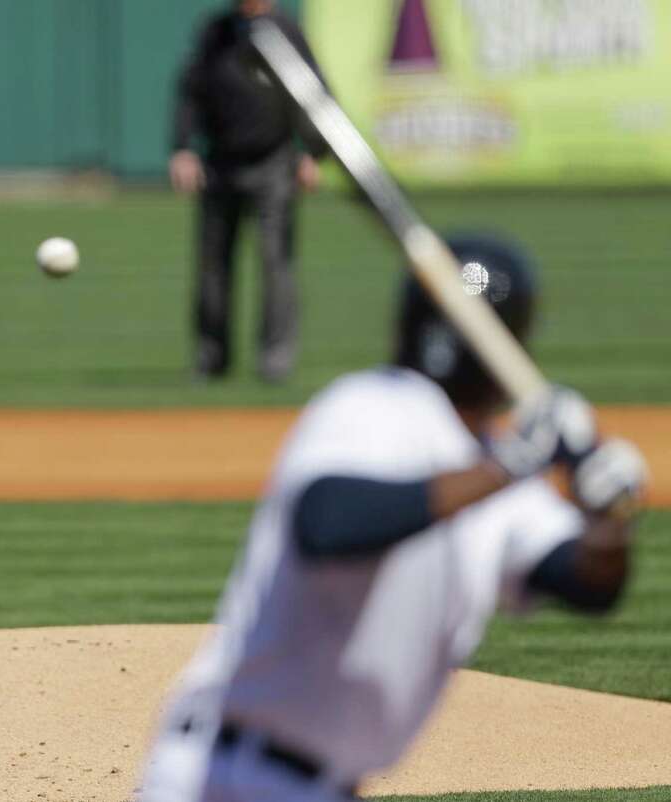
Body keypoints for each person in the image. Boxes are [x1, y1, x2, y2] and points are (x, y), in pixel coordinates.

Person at [137, 235, 648, 801]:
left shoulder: (495, 476)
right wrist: (510, 464)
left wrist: (607, 521)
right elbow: (328, 522)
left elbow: (588, 585)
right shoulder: (372, 407)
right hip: (225, 776)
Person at [170, 0, 328, 381]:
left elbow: (315, 94)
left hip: (273, 161)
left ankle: (274, 362)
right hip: (220, 163)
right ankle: (212, 359)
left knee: (276, 265)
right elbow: (190, 91)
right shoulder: (217, 31)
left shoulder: (286, 32)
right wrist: (183, 148)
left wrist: (312, 153)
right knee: (213, 269)